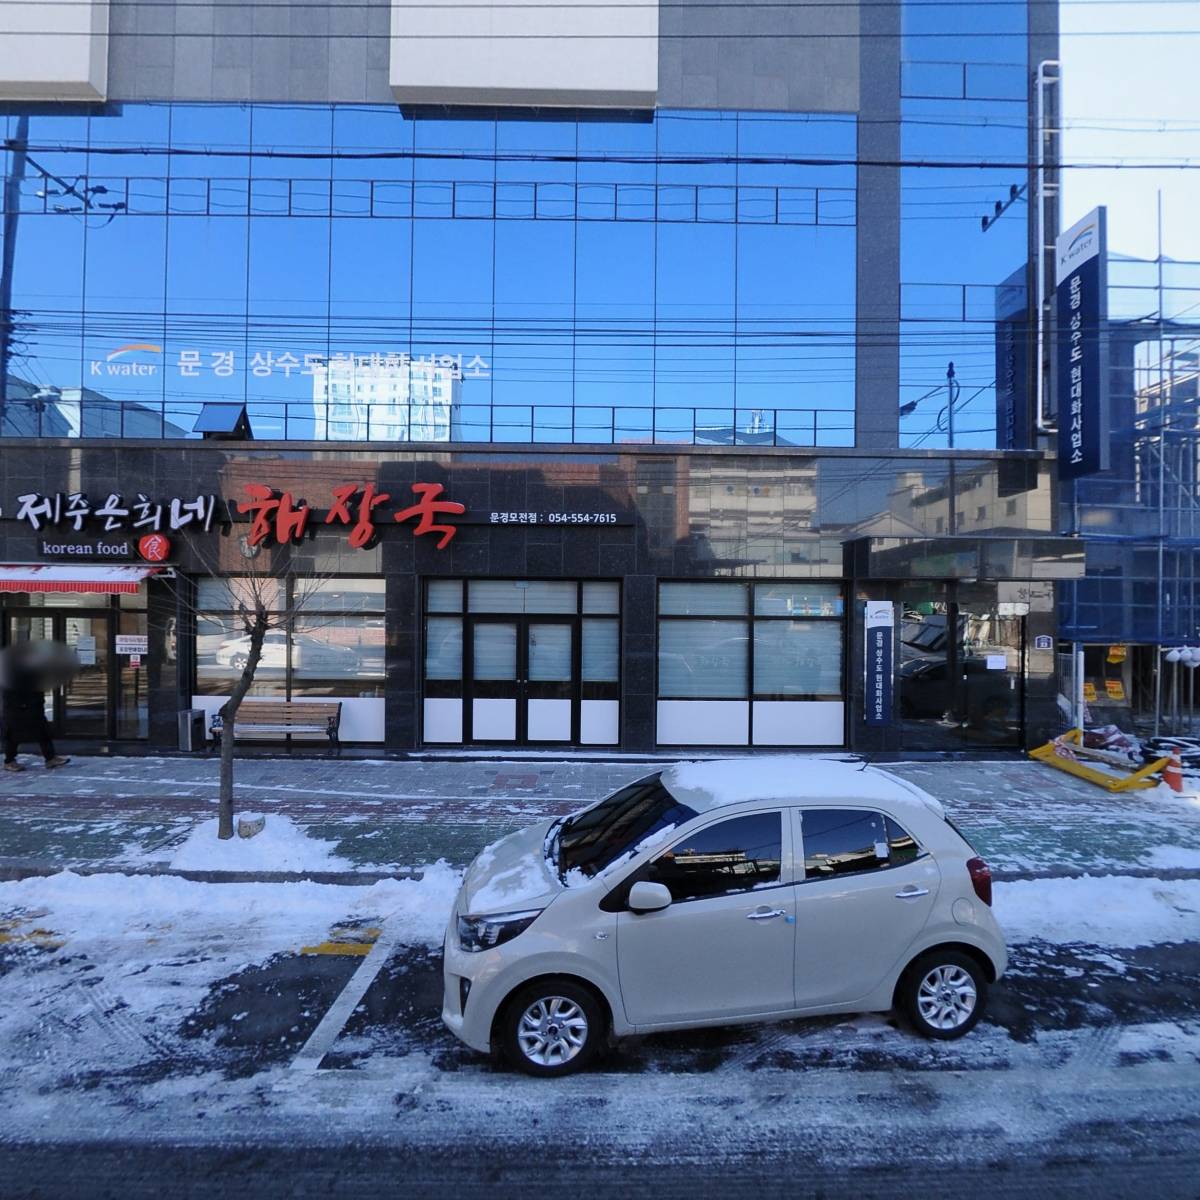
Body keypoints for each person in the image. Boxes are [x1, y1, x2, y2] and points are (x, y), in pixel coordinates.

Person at [1, 644, 69, 771]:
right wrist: (22, 705)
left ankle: (50, 758)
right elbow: (11, 692)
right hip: (17, 710)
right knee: (13, 736)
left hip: (34, 708)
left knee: (43, 733)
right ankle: (9, 761)